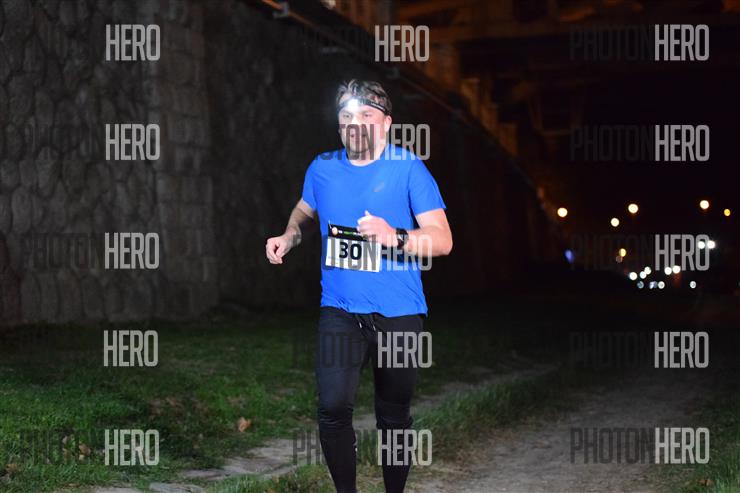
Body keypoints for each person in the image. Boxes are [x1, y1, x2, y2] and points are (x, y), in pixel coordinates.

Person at [265, 79, 452, 492]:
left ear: (386, 124)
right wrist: (290, 235)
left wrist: (394, 236)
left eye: (366, 115)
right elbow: (304, 211)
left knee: (393, 415)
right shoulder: (322, 167)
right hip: (340, 310)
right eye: (346, 116)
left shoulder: (408, 168)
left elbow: (442, 240)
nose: (355, 123)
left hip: (399, 311)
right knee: (332, 408)